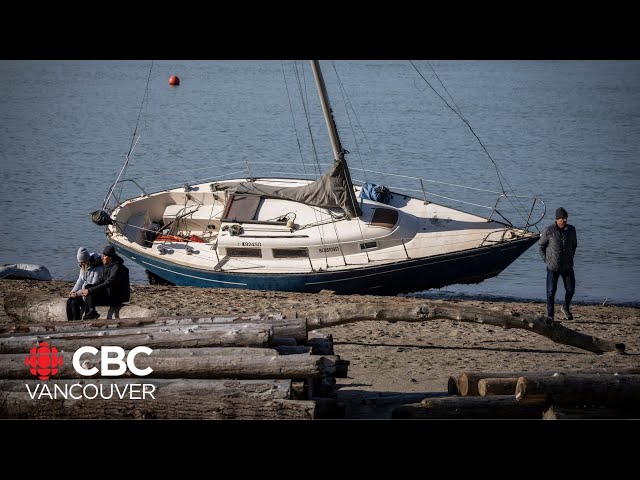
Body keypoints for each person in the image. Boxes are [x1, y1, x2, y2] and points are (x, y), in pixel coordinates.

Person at [539, 207, 577, 325]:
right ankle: (550, 316)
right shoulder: (548, 231)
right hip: (552, 267)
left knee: (571, 289)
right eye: (561, 219)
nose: (564, 221)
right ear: (557, 219)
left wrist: (570, 257)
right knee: (550, 292)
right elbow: (541, 247)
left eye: (565, 218)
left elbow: (574, 245)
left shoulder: (571, 230)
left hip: (567, 266)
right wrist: (547, 260)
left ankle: (565, 307)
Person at [81, 245, 130, 320]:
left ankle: (90, 313)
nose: (101, 258)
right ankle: (91, 311)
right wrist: (88, 289)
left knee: (90, 291)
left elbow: (109, 283)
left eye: (104, 256)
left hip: (117, 297)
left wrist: (90, 291)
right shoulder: (106, 266)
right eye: (102, 255)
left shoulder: (117, 267)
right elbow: (99, 281)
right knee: (88, 286)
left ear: (110, 257)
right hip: (109, 293)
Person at [67, 247, 103, 320]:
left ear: (87, 261)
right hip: (83, 293)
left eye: (82, 263)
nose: (80, 265)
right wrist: (73, 292)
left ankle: (76, 321)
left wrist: (78, 293)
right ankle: (70, 321)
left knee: (74, 302)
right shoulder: (83, 267)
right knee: (70, 300)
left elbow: (93, 285)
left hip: (91, 295)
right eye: (80, 263)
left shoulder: (98, 269)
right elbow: (80, 281)